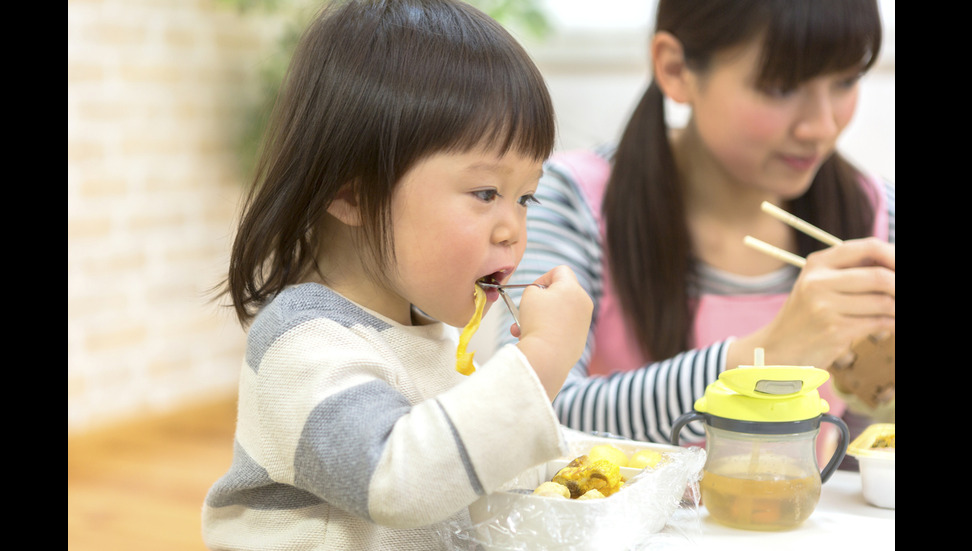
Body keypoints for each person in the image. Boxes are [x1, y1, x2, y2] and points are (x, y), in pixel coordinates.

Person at [201, 1, 593, 549]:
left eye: (525, 197)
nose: (513, 229)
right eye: (486, 193)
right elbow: (397, 480)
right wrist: (543, 359)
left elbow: (470, 468)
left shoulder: (429, 333)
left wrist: (585, 464)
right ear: (352, 193)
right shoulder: (301, 344)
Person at [499, 0, 894, 467]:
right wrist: (760, 357)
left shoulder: (872, 213)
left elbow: (864, 448)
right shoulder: (570, 201)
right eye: (781, 87)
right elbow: (527, 414)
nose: (822, 126)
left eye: (846, 81)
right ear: (676, 68)